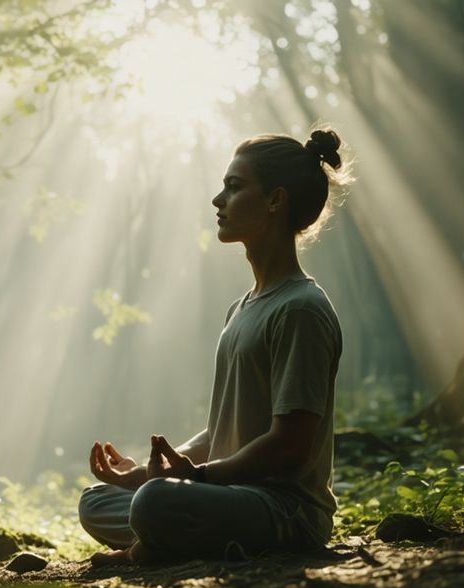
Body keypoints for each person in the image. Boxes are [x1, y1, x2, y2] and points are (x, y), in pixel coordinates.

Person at [78, 128, 351, 564]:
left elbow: (290, 445)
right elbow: (223, 431)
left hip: (284, 511)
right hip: (229, 496)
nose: (217, 200)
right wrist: (159, 471)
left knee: (154, 504)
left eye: (234, 187)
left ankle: (148, 550)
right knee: (97, 500)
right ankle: (172, 535)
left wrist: (199, 478)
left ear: (275, 201)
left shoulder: (301, 308)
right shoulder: (241, 308)